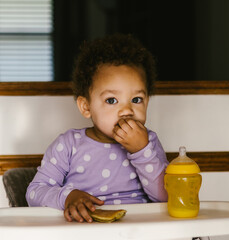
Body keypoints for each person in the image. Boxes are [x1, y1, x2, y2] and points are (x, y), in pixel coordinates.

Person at [26, 34, 168, 223]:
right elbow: (34, 193)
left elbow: (166, 197)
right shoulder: (69, 145)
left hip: (138, 231)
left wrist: (141, 152)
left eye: (136, 100)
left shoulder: (148, 142)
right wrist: (68, 197)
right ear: (86, 107)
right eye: (111, 100)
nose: (127, 110)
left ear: (147, 102)